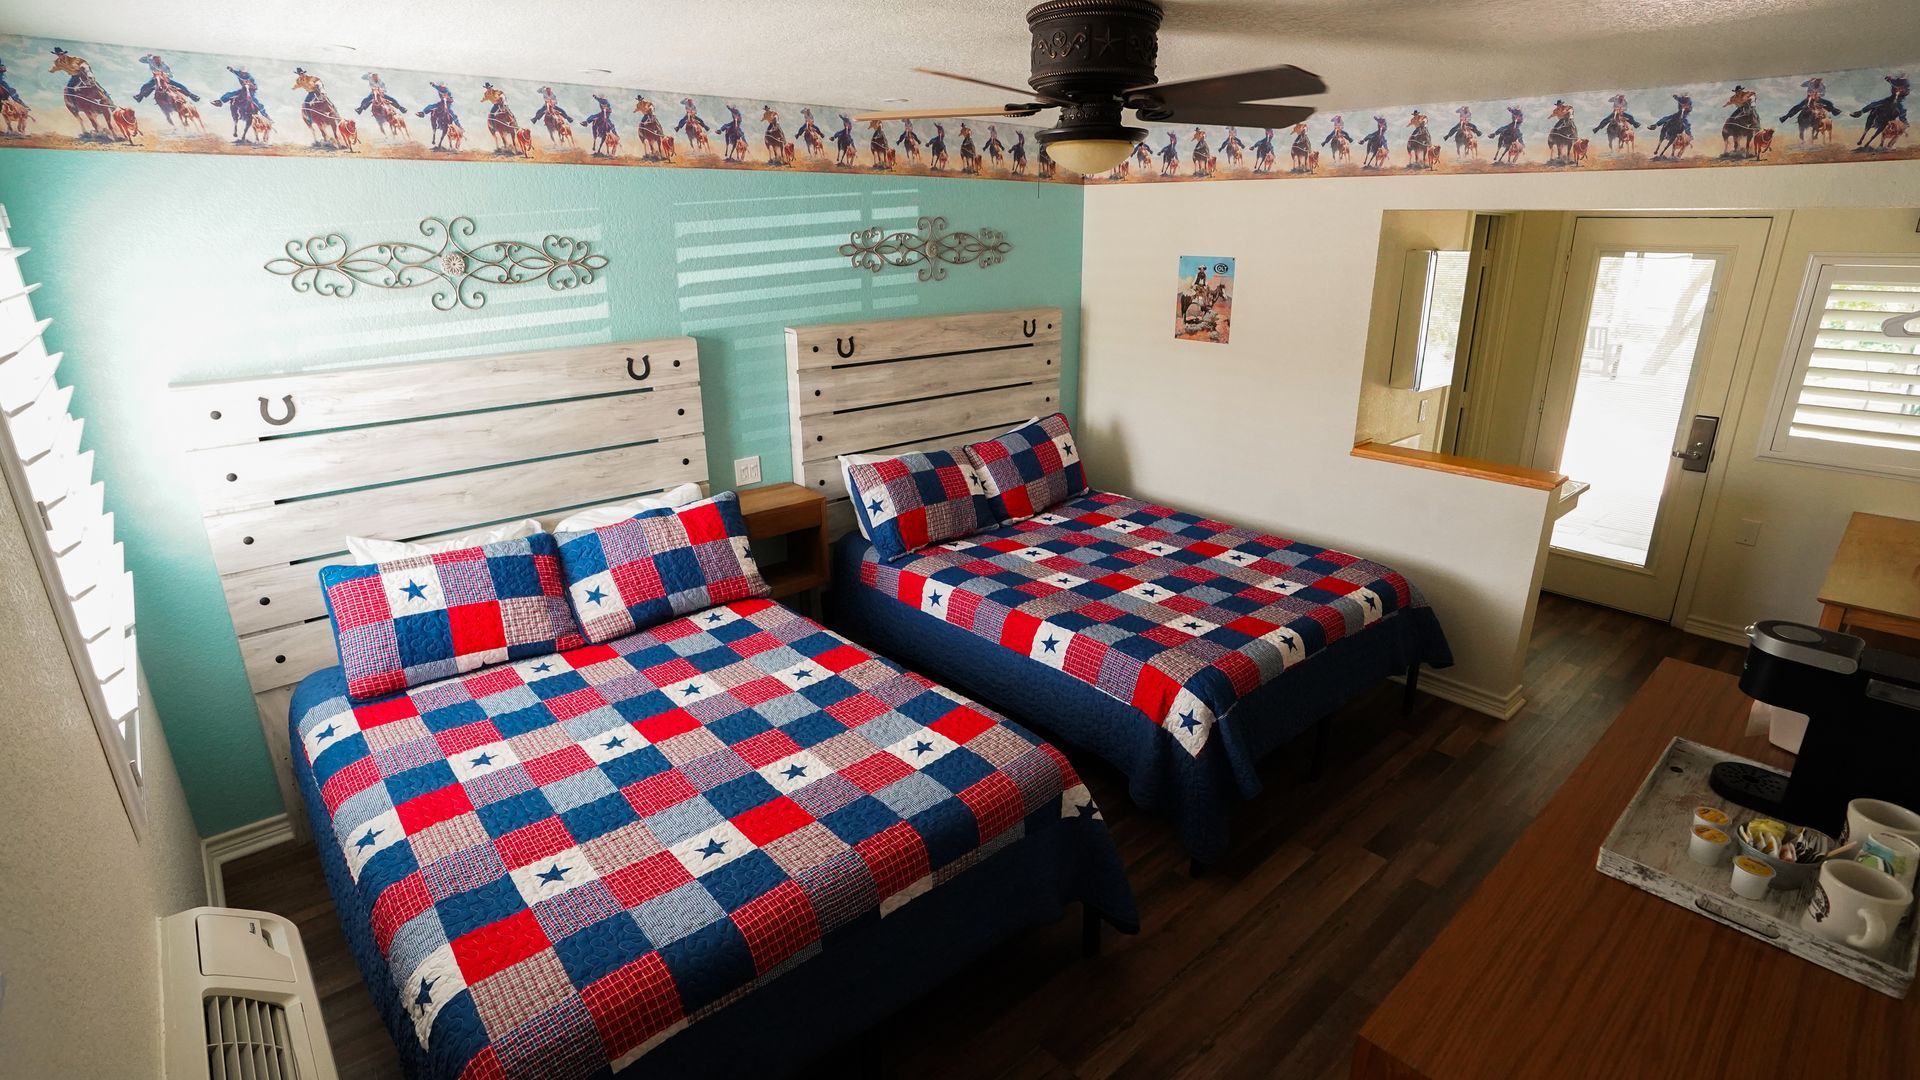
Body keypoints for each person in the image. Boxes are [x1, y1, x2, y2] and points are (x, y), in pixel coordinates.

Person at [133, 53, 199, 102]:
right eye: (156, 60)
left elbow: (171, 75)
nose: (158, 62)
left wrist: (164, 74)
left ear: (160, 59)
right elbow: (140, 60)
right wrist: (147, 56)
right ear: (154, 60)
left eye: (159, 60)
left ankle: (192, 96)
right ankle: (139, 97)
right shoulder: (150, 61)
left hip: (165, 78)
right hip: (155, 78)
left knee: (180, 85)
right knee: (145, 86)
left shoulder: (165, 65)